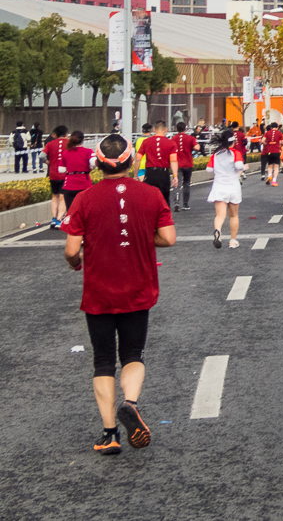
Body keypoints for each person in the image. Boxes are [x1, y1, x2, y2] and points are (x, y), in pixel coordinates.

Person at [62, 133, 176, 455]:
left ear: (97, 165)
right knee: (132, 355)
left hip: (99, 291)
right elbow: (168, 238)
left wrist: (75, 261)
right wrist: (142, 235)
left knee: (102, 361)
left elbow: (72, 249)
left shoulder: (85, 198)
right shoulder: (152, 195)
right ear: (131, 161)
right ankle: (131, 403)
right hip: (138, 288)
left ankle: (110, 433)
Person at [207, 129, 244, 249]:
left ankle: (218, 231)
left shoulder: (216, 154)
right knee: (233, 216)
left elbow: (209, 169)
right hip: (233, 187)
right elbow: (239, 166)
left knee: (220, 215)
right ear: (233, 141)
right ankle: (233, 241)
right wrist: (244, 167)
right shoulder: (235, 153)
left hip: (219, 187)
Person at [137, 121, 178, 208]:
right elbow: (173, 161)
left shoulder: (146, 142)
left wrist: (135, 174)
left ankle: (150, 219)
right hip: (164, 174)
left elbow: (138, 159)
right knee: (165, 199)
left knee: (149, 199)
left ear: (154, 129)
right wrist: (175, 176)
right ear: (166, 130)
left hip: (150, 174)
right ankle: (165, 220)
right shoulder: (171, 143)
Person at [44, 125, 70, 229]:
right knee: (62, 197)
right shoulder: (69, 143)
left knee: (54, 196)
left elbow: (41, 156)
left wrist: (48, 162)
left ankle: (54, 218)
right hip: (64, 174)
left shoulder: (50, 144)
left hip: (53, 174)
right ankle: (59, 220)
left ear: (55, 134)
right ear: (66, 134)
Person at [62, 131, 96, 211]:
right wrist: (90, 168)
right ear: (83, 140)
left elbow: (61, 169)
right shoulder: (88, 151)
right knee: (86, 211)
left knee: (71, 212)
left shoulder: (66, 153)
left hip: (69, 185)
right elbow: (93, 163)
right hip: (84, 185)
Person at [172, 122, 198, 211]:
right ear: (185, 129)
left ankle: (176, 203)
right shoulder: (190, 138)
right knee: (186, 184)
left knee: (177, 184)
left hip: (177, 165)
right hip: (188, 164)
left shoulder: (173, 138)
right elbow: (197, 147)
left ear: (177, 129)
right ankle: (185, 204)